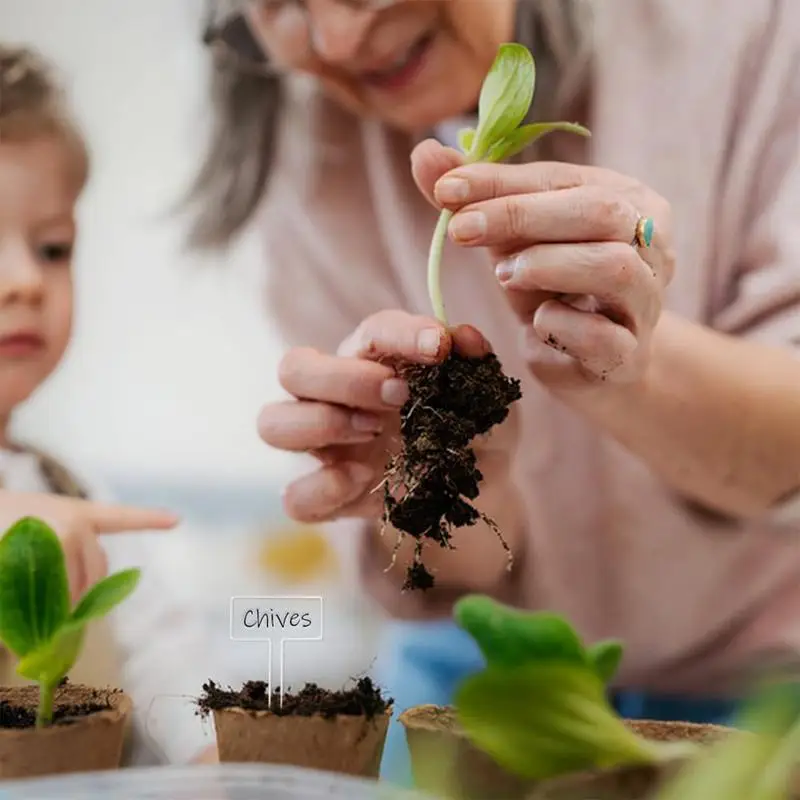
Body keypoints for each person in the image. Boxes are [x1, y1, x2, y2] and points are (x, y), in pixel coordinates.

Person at [189, 0, 800, 784]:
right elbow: (457, 570)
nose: (339, 39)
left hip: (755, 690)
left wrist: (633, 361)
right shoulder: (308, 148)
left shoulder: (745, 28)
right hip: (478, 688)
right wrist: (434, 486)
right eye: (279, 4)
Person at [0, 44, 220, 765]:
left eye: (53, 248)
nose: (25, 281)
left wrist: (218, 760)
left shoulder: (80, 498)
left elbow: (172, 667)